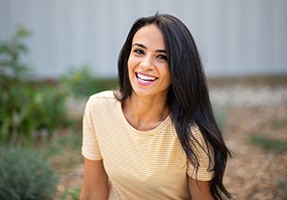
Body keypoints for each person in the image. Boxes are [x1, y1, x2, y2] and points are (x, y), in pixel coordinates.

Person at [80, 13, 232, 200]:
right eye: (139, 51)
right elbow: (92, 192)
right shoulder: (99, 109)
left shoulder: (192, 133)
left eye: (161, 57)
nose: (145, 65)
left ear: (180, 68)